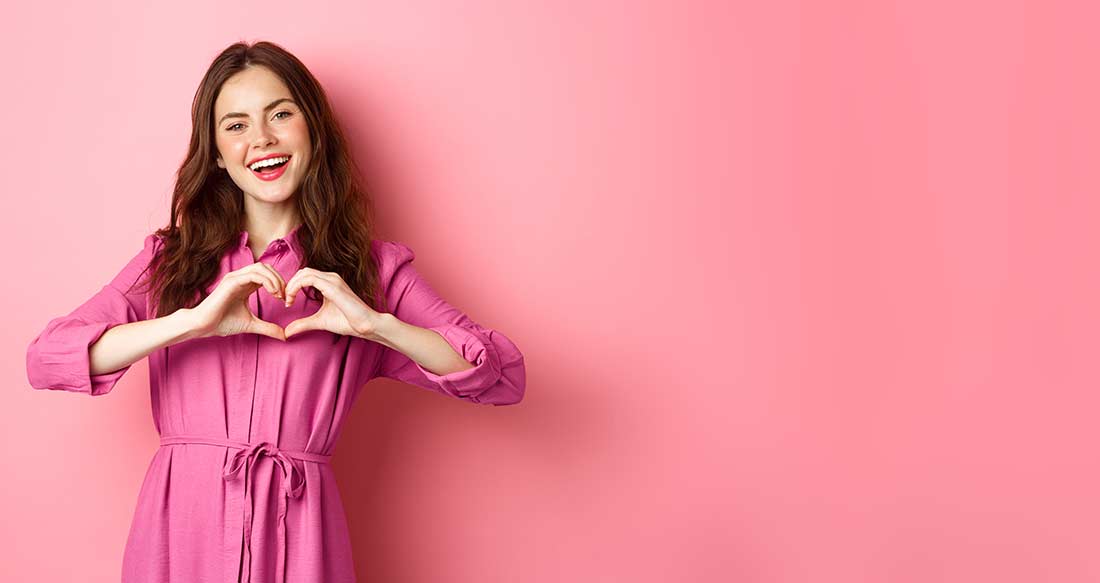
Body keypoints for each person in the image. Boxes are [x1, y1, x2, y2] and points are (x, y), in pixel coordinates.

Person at [25, 40, 526, 583]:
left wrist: (377, 326)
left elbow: (500, 375)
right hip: (180, 533)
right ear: (215, 152)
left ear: (312, 128)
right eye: (235, 125)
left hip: (302, 537)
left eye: (280, 115)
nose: (261, 139)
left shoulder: (371, 274)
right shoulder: (171, 263)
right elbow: (47, 359)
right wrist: (190, 322)